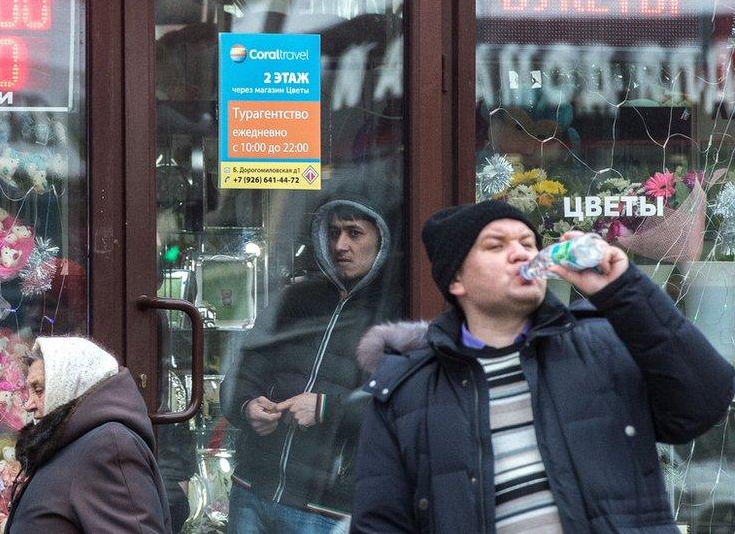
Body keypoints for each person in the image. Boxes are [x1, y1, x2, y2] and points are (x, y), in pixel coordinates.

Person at [351, 200, 735, 533]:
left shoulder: (602, 342)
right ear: (456, 280)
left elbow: (704, 403)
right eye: (496, 246)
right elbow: (380, 524)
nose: (521, 254)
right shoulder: (406, 392)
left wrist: (625, 288)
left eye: (527, 243)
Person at [221, 189, 402, 532]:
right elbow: (241, 373)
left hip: (326, 507)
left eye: (354, 233)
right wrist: (246, 406)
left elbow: (401, 405)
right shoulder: (294, 299)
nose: (340, 245)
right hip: (252, 489)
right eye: (333, 233)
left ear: (382, 238)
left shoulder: (394, 315)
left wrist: (326, 408)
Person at [5, 337, 171, 534]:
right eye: (29, 391)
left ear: (73, 383)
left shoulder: (109, 446)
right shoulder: (66, 445)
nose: (29, 404)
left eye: (39, 390)